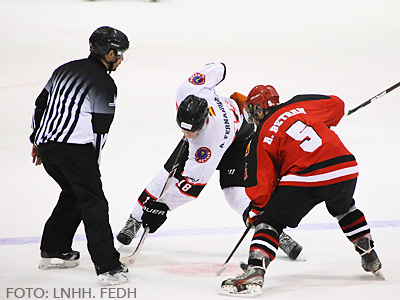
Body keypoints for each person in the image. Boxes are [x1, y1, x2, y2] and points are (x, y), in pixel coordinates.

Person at [116, 63, 303, 260]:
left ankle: (273, 231)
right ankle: (134, 220)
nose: (187, 135)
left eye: (192, 131)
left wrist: (162, 207)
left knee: (235, 194)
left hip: (238, 139)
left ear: (204, 121)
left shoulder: (208, 142)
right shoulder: (188, 90)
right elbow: (219, 68)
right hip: (228, 121)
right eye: (183, 129)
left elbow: (191, 187)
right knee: (165, 176)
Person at [220, 85, 384, 297]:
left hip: (309, 173)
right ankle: (369, 254)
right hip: (345, 167)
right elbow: (337, 105)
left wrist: (256, 211)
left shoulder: (260, 136)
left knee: (270, 221)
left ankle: (255, 271)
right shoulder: (300, 104)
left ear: (257, 110)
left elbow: (260, 188)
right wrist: (328, 117)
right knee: (344, 208)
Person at [30, 26, 130, 285]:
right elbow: (100, 130)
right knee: (93, 201)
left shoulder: (63, 69)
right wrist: (92, 166)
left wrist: (37, 140)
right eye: (120, 54)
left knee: (74, 193)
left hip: (49, 147)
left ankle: (55, 249)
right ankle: (108, 266)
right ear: (109, 53)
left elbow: (40, 104)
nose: (121, 60)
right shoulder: (105, 84)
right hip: (75, 150)